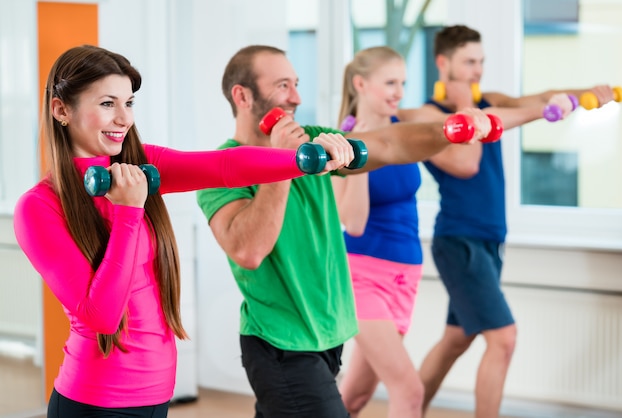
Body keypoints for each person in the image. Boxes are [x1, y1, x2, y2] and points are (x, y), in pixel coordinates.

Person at [12, 44, 344, 418]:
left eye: (129, 103)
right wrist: (128, 211)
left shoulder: (140, 166)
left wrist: (304, 160)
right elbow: (101, 315)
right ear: (61, 110)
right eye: (108, 103)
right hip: (94, 402)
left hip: (156, 396)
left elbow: (224, 166)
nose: (124, 119)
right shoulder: (38, 207)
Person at [195, 44, 494, 418]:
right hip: (279, 344)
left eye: (297, 84)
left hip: (329, 336)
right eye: (282, 85)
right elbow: (249, 251)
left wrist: (450, 131)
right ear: (242, 95)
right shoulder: (219, 170)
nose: (296, 97)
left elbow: (390, 144)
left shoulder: (315, 141)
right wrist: (281, 164)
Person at [396, 25, 614, 418]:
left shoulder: (490, 101)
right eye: (468, 62)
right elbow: (466, 163)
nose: (477, 71)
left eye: (481, 62)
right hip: (458, 240)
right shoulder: (428, 115)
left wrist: (587, 93)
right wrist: (466, 107)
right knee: (504, 339)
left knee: (456, 339)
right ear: (443, 64)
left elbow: (543, 99)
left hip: (490, 240)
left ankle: (408, 410)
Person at [331, 46, 426, 418]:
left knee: (353, 399)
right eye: (390, 82)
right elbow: (353, 222)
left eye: (402, 82)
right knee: (409, 390)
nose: (399, 91)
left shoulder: (401, 131)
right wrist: (361, 154)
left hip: (405, 276)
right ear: (361, 83)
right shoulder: (340, 143)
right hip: (361, 278)